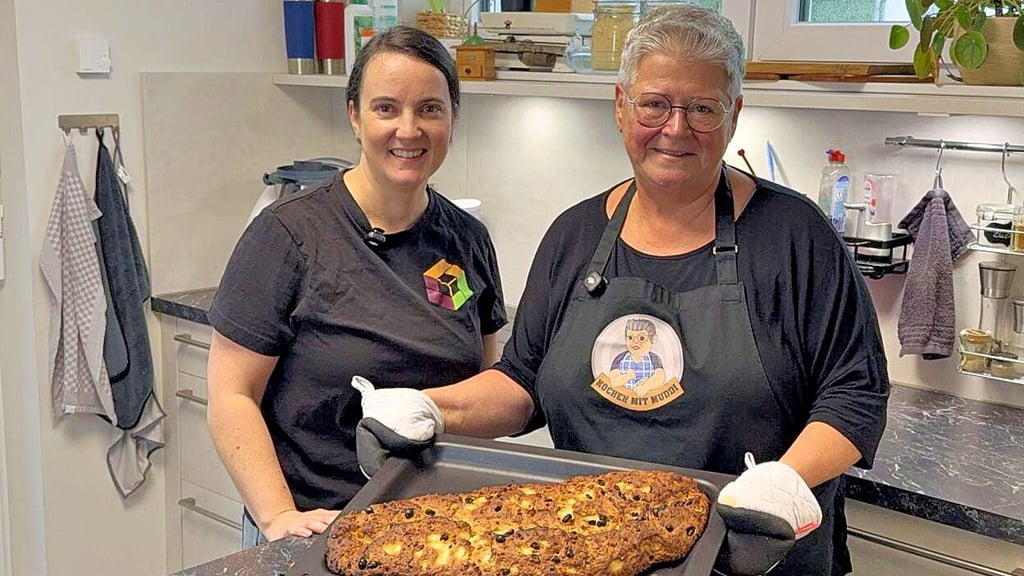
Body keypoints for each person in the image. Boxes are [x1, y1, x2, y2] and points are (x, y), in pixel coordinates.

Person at [354, 5, 889, 576]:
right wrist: (435, 408)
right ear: (620, 106)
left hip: (754, 556)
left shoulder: (793, 237)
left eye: (702, 108)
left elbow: (855, 395)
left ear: (734, 114)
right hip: (590, 549)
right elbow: (523, 380)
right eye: (654, 104)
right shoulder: (575, 234)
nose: (675, 128)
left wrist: (787, 478)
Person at [205, 25, 507, 547]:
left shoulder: (468, 240)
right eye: (386, 108)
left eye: (430, 109)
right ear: (354, 115)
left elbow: (483, 385)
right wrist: (277, 517)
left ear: (454, 119)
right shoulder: (289, 235)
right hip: (316, 527)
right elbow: (231, 394)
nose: (408, 130)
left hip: (436, 530)